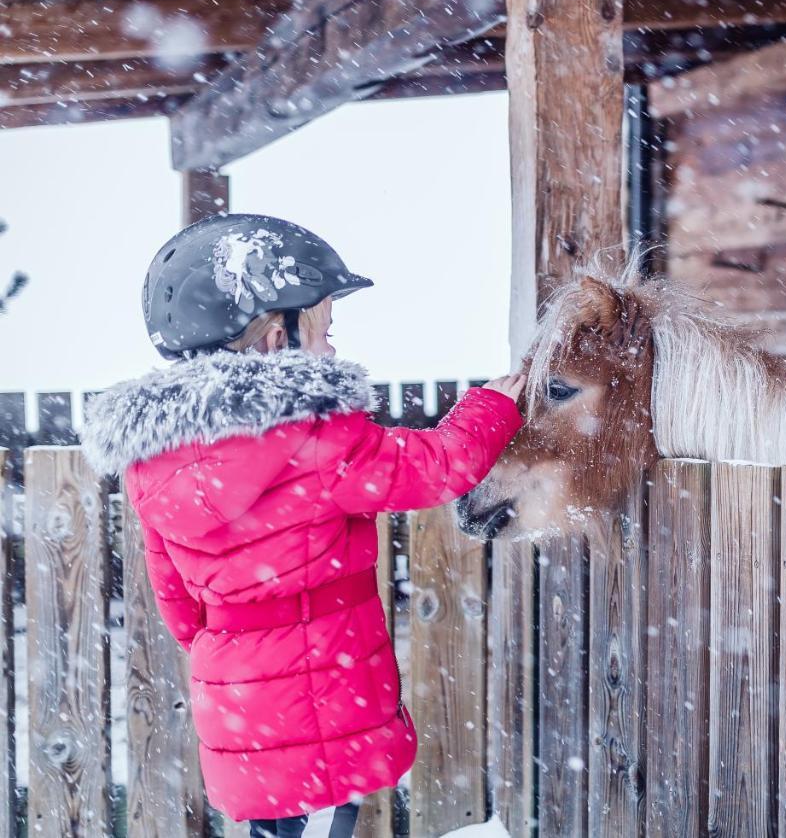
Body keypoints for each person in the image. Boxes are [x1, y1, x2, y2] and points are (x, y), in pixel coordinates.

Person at [82, 214, 524, 837]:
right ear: (272, 341)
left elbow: (176, 602)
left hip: (238, 699)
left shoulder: (153, 459)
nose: (332, 350)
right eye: (322, 333)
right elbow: (434, 469)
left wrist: (243, 650)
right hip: (323, 694)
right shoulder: (314, 437)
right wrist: (492, 406)